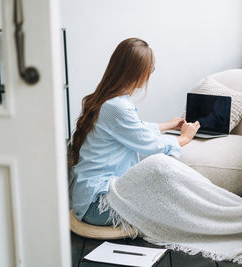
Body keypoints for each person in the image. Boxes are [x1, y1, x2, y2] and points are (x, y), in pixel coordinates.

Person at [69, 38, 200, 225]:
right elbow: (149, 144)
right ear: (137, 72)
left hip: (92, 197)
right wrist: (184, 138)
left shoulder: (108, 100)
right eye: (150, 69)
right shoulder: (116, 106)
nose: (150, 74)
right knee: (170, 195)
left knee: (171, 195)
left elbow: (132, 129)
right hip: (98, 205)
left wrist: (167, 125)